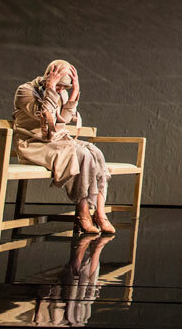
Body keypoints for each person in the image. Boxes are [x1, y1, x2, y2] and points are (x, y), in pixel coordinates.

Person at [13, 60, 116, 234]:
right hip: (34, 144)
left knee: (95, 152)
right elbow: (46, 118)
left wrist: (74, 94)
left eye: (64, 87)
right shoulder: (25, 91)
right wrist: (51, 89)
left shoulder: (61, 93)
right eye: (59, 86)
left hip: (54, 141)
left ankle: (99, 212)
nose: (61, 90)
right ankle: (83, 213)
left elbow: (63, 120)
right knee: (81, 154)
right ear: (48, 76)